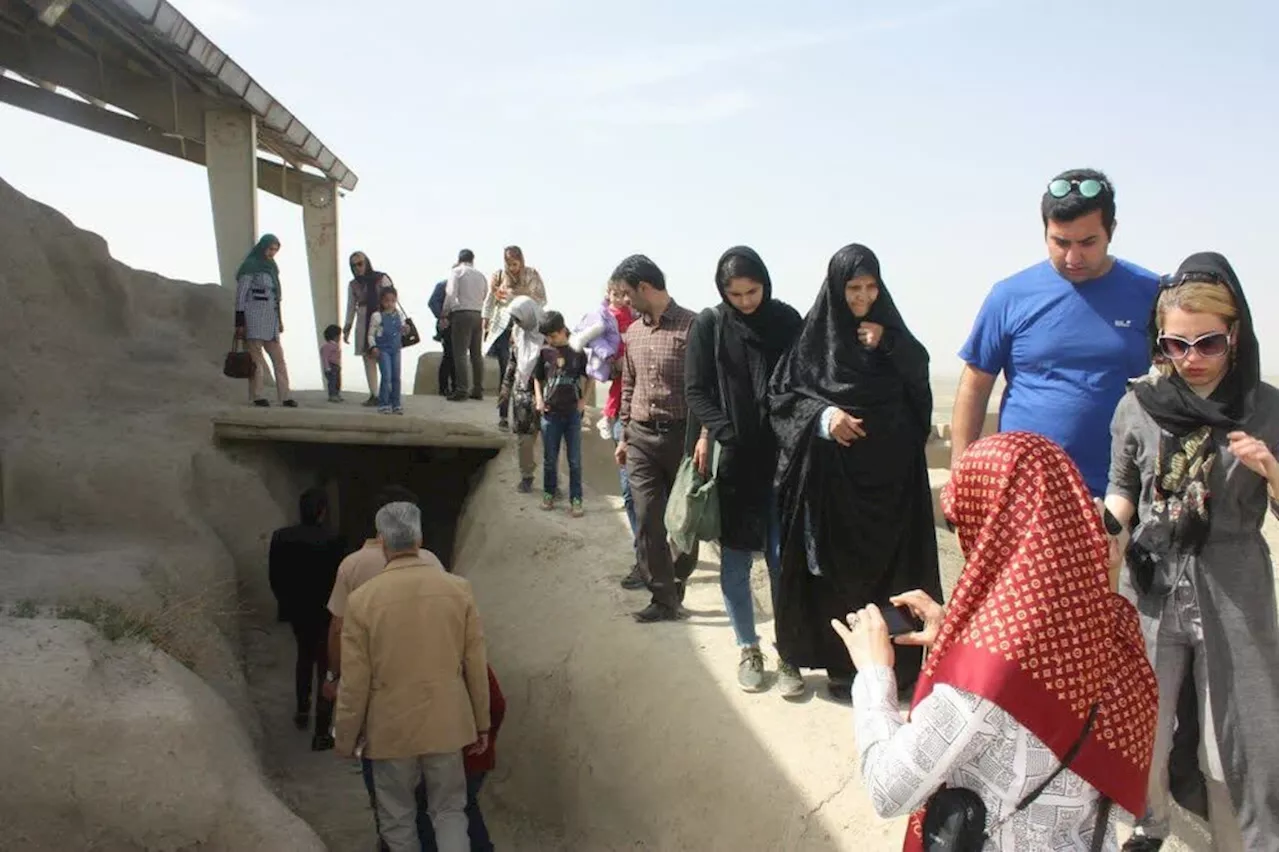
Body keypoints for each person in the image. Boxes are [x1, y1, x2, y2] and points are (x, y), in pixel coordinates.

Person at [833, 431, 1159, 851]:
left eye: (965, 521)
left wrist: (874, 674)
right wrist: (956, 638)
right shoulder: (1112, 631)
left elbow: (888, 788)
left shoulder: (985, 681)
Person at [1105, 253, 1280, 852]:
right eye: (1175, 345)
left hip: (1234, 590)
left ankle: (1240, 842)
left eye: (1207, 343)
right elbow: (1124, 485)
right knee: (1143, 724)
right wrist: (1108, 521)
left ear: (1235, 334)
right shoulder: (1140, 404)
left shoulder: (1267, 407)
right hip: (1152, 588)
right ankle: (1149, 824)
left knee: (1230, 733)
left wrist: (1270, 470)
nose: (1191, 360)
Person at [769, 244, 941, 700]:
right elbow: (783, 397)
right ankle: (844, 668)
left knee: (895, 579)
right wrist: (824, 419)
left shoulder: (896, 338)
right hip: (836, 490)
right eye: (853, 288)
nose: (862, 297)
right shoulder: (813, 343)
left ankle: (898, 667)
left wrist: (889, 343)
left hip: (892, 489)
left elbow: (917, 387)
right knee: (840, 579)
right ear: (835, 290)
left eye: (870, 287)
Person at [951, 169, 1160, 496]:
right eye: (1060, 242)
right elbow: (975, 385)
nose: (1073, 257)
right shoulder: (1009, 296)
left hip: (1123, 495)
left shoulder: (1151, 294)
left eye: (1088, 242)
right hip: (1027, 496)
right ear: (1045, 232)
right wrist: (961, 476)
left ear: (1111, 231)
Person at [333, 502, 490, 852]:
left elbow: (354, 681)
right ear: (419, 538)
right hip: (447, 722)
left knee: (397, 819)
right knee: (449, 811)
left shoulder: (362, 601)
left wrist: (345, 736)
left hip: (389, 729)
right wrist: (482, 723)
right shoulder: (458, 589)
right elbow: (475, 664)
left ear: (382, 542)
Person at [685, 246, 804, 696]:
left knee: (780, 560)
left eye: (752, 291)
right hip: (736, 464)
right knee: (734, 561)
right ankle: (747, 646)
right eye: (735, 294)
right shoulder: (710, 324)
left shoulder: (786, 321)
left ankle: (789, 652)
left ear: (765, 284)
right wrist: (725, 433)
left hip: (782, 462)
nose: (746, 301)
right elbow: (696, 391)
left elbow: (804, 379)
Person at [611, 254, 699, 623]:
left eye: (628, 295)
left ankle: (677, 577)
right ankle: (663, 599)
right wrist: (624, 433)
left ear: (645, 288)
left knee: (684, 523)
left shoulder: (693, 327)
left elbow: (704, 390)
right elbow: (628, 384)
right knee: (647, 518)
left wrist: (704, 437)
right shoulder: (632, 332)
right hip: (642, 439)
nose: (625, 302)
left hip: (682, 438)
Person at [268, 486, 346, 751]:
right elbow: (340, 579)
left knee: (304, 656)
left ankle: (302, 710)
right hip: (326, 610)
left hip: (297, 610)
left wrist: (286, 602)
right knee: (326, 665)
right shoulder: (334, 539)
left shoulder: (282, 537)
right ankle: (322, 731)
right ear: (323, 511)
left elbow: (275, 576)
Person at [600, 282, 641, 585]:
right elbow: (604, 368)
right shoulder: (607, 320)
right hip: (619, 411)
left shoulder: (643, 322)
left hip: (647, 416)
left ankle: (653, 555)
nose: (622, 300)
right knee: (629, 492)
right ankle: (644, 554)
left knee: (647, 493)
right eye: (617, 294)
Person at [483, 246, 547, 431]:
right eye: (509, 264)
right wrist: (485, 319)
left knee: (530, 372)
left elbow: (541, 299)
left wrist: (519, 297)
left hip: (529, 324)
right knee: (508, 373)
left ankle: (529, 416)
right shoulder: (499, 276)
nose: (512, 268)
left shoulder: (531, 275)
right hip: (505, 324)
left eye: (515, 264)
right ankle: (504, 415)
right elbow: (491, 300)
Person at [533, 310, 590, 518]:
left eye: (552, 336)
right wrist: (539, 399)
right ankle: (549, 493)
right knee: (550, 459)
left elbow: (589, 376)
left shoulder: (577, 351)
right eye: (547, 337)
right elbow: (537, 378)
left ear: (562, 330)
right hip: (550, 414)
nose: (550, 340)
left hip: (572, 414)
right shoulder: (544, 352)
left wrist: (583, 401)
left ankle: (576, 500)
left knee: (574, 459)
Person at [234, 233, 296, 407]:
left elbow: (276, 297)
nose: (272, 253)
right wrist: (239, 322)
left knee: (279, 358)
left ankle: (285, 396)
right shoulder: (250, 266)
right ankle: (257, 395)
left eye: (275, 250)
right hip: (253, 316)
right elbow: (241, 295)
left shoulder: (272, 267)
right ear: (263, 247)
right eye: (270, 249)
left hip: (271, 319)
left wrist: (280, 320)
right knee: (256, 359)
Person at [497, 296, 546, 495]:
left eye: (519, 319)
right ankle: (527, 477)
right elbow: (512, 367)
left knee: (550, 440)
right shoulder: (519, 335)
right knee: (524, 440)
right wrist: (504, 396)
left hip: (546, 394)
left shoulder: (548, 334)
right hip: (522, 396)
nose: (516, 324)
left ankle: (554, 483)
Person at [343, 251, 395, 407]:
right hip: (363, 320)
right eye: (354, 265)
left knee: (384, 357)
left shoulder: (381, 278)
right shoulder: (353, 284)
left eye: (360, 264)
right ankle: (375, 394)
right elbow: (351, 306)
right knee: (368, 358)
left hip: (381, 320)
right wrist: (347, 327)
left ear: (366, 262)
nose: (357, 268)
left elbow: (392, 300)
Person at [443, 250, 488, 402]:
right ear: (472, 260)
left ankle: (462, 389)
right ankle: (478, 389)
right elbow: (484, 295)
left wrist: (444, 313)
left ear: (459, 259)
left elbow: (450, 294)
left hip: (461, 314)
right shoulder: (480, 275)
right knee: (476, 354)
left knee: (460, 353)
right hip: (478, 314)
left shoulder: (457, 272)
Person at [368, 286, 408, 415]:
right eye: (386, 301)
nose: (389, 303)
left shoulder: (399, 315)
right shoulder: (377, 316)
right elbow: (371, 334)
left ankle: (396, 403)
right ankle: (383, 403)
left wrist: (405, 330)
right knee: (387, 376)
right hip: (383, 349)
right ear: (381, 301)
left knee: (396, 376)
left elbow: (401, 330)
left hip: (396, 349)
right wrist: (373, 347)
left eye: (392, 300)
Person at [428, 279, 455, 398]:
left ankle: (455, 386)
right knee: (449, 355)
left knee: (455, 356)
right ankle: (444, 388)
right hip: (447, 325)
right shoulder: (443, 285)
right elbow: (432, 302)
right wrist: (442, 316)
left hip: (458, 324)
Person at [321, 324, 343, 403]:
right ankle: (332, 395)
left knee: (337, 381)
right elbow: (325, 357)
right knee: (332, 382)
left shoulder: (336, 345)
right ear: (335, 336)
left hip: (336, 366)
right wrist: (327, 367)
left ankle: (336, 394)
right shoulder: (327, 346)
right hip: (331, 366)